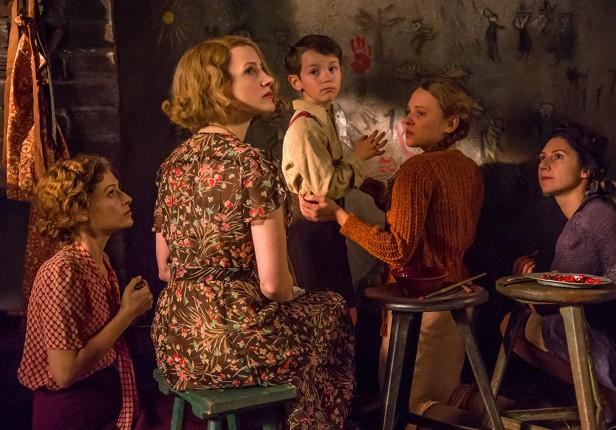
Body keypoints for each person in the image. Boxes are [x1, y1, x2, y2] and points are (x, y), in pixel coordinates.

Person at [151, 36, 355, 429]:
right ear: (216, 87)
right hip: (233, 345)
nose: (268, 79)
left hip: (175, 344)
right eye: (251, 71)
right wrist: (294, 294)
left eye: (262, 68)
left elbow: (165, 268)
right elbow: (274, 285)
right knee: (331, 309)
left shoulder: (172, 164)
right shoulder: (252, 164)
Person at [300, 77, 492, 426]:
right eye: (408, 111)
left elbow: (397, 251)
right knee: (445, 394)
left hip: (420, 310)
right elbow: (436, 221)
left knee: (412, 408)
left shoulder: (416, 170)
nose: (407, 120)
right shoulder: (467, 168)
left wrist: (338, 215)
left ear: (451, 123)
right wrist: (382, 195)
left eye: (421, 113)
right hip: (457, 301)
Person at [512, 122, 616, 425]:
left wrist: (523, 283)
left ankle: (606, 399)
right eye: (542, 157)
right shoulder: (600, 210)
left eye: (558, 156)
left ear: (586, 170)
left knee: (514, 325)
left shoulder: (584, 224)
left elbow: (552, 303)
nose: (544, 164)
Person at [17, 154, 154, 430]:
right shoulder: (62, 271)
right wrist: (126, 314)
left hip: (101, 400)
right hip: (71, 411)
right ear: (79, 211)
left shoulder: (99, 262)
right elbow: (65, 372)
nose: (127, 199)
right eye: (112, 193)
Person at [282, 34, 387, 325]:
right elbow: (324, 186)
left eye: (332, 68)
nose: (326, 77)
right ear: (296, 81)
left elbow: (329, 170)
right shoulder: (305, 128)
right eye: (314, 72)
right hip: (311, 228)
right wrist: (358, 157)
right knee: (327, 316)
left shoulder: (322, 118)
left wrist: (359, 181)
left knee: (343, 312)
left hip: (327, 223)